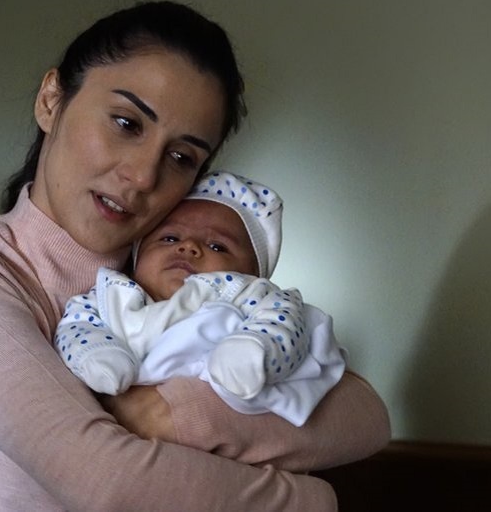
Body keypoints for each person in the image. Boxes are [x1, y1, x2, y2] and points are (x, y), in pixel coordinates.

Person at [0, 0, 390, 511]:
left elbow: (364, 417)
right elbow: (107, 480)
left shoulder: (173, 290)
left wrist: (173, 414)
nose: (144, 176)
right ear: (52, 100)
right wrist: (309, 500)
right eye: (126, 123)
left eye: (181, 157)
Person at [55, 170, 347, 426]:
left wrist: (255, 349)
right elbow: (77, 326)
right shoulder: (112, 296)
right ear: (137, 257)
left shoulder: (249, 293)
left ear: (255, 273)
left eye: (217, 246)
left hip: (224, 412)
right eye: (170, 238)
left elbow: (284, 326)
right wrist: (96, 353)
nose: (189, 247)